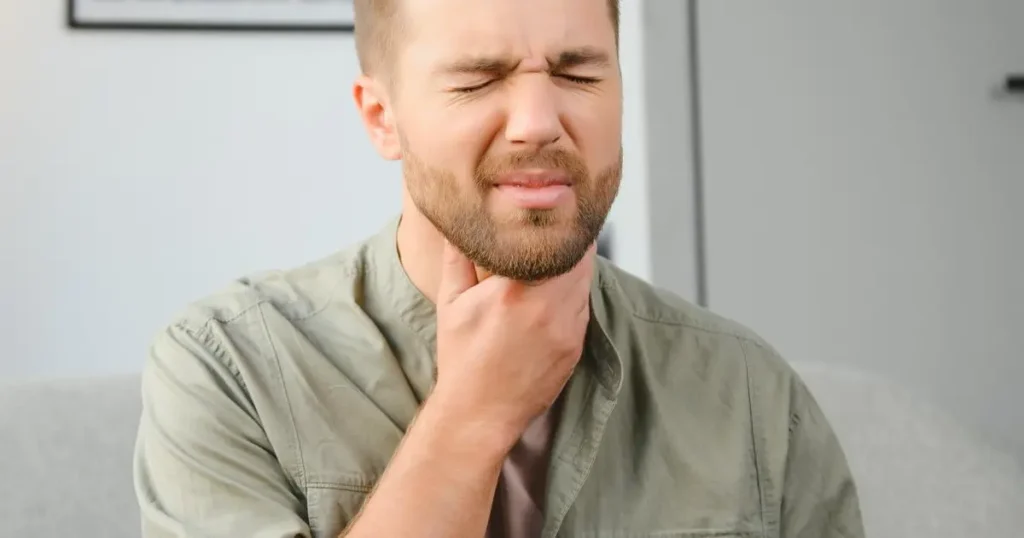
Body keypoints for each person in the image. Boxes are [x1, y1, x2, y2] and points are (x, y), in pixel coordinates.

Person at [133, 0, 864, 536]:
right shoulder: (228, 371)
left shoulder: (746, 389)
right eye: (480, 80)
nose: (539, 121)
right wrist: (474, 415)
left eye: (578, 73)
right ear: (381, 118)